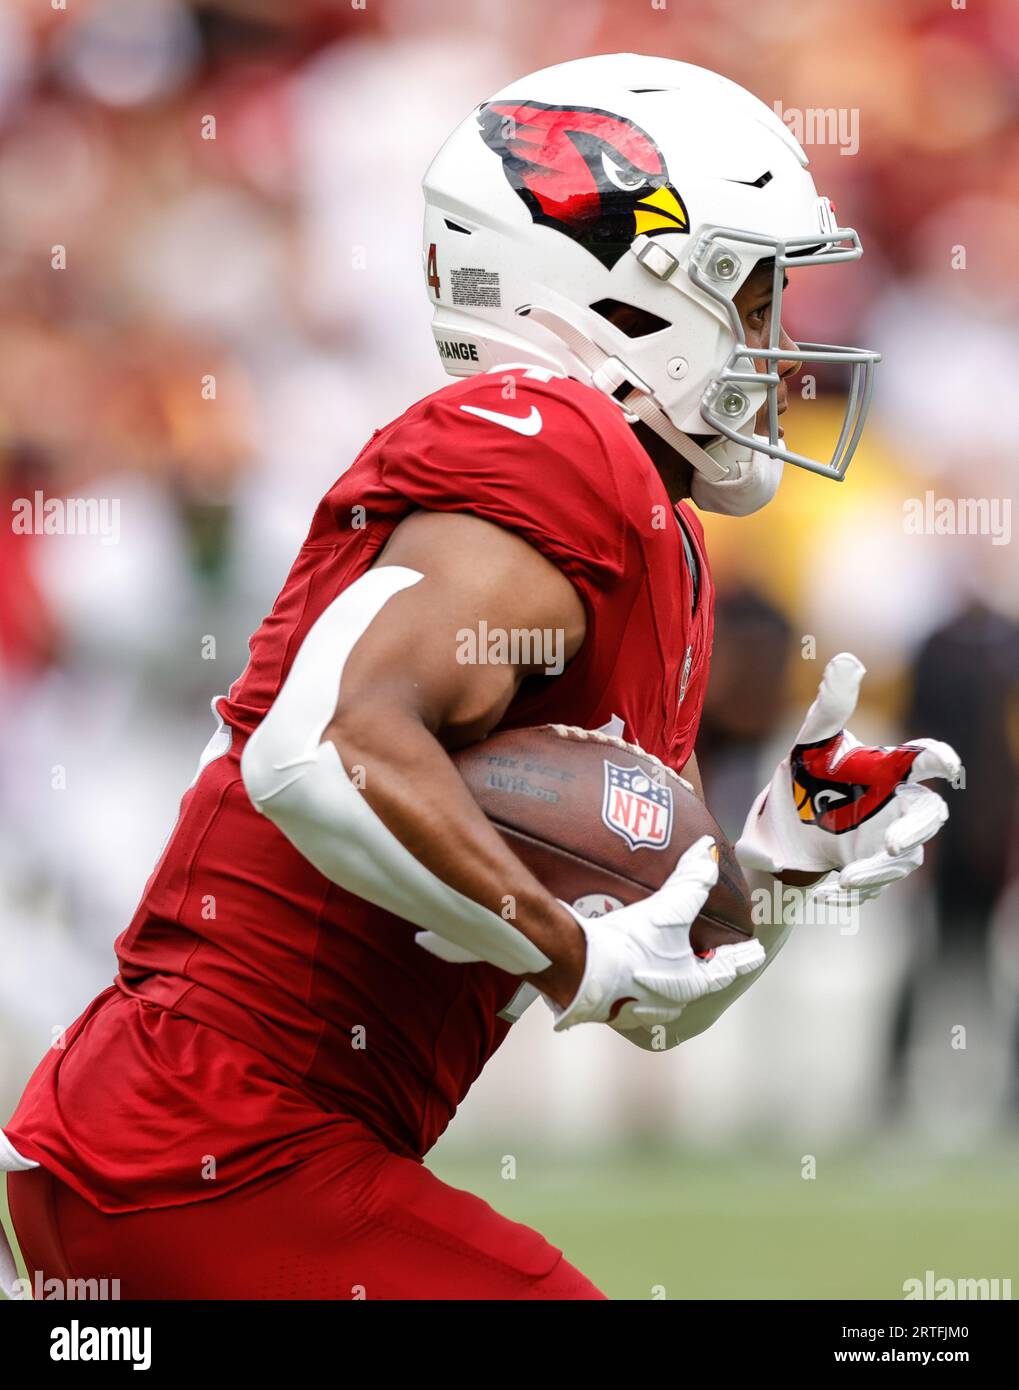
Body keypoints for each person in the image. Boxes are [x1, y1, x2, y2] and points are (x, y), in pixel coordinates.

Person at [0, 54, 958, 1301]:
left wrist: (769, 869)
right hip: (206, 1142)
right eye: (752, 294)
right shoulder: (557, 449)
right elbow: (323, 749)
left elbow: (653, 999)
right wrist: (566, 946)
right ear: (621, 294)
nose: (782, 348)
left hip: (202, 1145)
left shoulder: (652, 533)